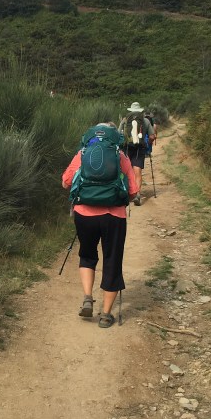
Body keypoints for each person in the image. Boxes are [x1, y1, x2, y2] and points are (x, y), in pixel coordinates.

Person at [62, 123, 139, 328]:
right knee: (112, 260)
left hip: (84, 215)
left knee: (87, 255)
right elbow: (133, 191)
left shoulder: (83, 153)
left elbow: (66, 181)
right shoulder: (120, 156)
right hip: (114, 217)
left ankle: (88, 297)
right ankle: (105, 315)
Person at [118, 102, 156, 205]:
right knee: (137, 171)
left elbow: (118, 134)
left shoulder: (125, 120)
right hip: (139, 148)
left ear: (130, 110)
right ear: (140, 110)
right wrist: (149, 143)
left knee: (125, 170)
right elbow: (152, 136)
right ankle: (137, 194)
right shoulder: (145, 120)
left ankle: (125, 193)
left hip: (126, 148)